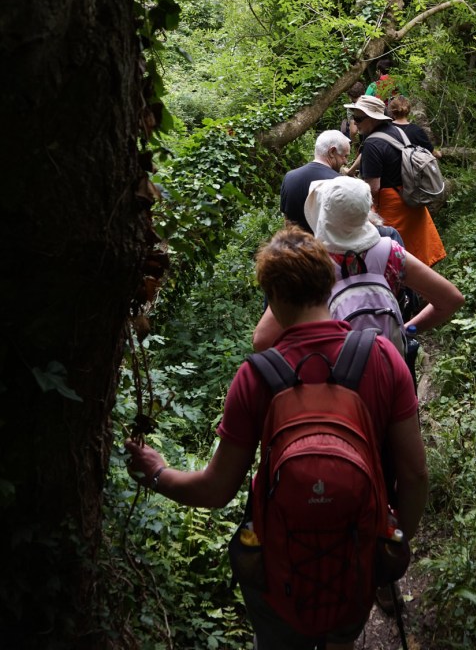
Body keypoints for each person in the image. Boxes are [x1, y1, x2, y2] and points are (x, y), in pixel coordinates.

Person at [126, 227, 428, 650]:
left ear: (270, 295)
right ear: (330, 281)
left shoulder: (256, 376)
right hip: (359, 552)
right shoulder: (383, 358)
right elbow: (414, 475)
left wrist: (158, 473)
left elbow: (217, 489)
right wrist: (390, 549)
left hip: (277, 564)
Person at [253, 176, 464, 353]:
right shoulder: (390, 252)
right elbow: (451, 300)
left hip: (332, 378)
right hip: (387, 368)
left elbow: (262, 340)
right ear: (366, 211)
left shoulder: (309, 262)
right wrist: (406, 330)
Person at [344, 94, 447, 267]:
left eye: (359, 118)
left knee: (396, 260)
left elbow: (373, 187)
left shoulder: (372, 144)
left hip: (392, 208)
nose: (356, 123)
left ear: (372, 118)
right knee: (419, 256)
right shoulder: (398, 132)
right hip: (411, 199)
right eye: (353, 118)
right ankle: (421, 289)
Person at [279, 129, 350, 231]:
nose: (346, 162)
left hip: (295, 244)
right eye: (345, 156)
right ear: (332, 152)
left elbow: (287, 221)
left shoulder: (289, 177)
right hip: (324, 246)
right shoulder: (340, 183)